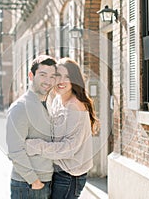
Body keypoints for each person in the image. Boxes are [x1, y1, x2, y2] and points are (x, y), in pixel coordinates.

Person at [26, 57, 99, 199]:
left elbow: (68, 148)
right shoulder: (58, 99)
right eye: (58, 75)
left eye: (67, 76)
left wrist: (34, 146)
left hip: (69, 176)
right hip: (57, 170)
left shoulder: (75, 106)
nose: (61, 81)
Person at [6, 55, 57, 199]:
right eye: (43, 75)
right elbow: (14, 150)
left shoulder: (47, 104)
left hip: (45, 180)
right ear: (31, 76)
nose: (48, 81)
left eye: (52, 76)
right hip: (28, 185)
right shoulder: (20, 108)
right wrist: (34, 180)